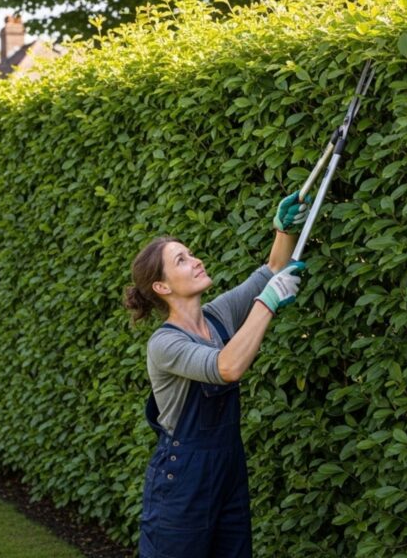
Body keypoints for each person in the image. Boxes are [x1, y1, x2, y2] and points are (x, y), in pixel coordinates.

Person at [123, 192, 310, 558]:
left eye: (191, 253)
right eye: (182, 260)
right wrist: (267, 303)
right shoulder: (164, 344)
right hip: (182, 485)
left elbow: (271, 270)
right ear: (162, 287)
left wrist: (283, 230)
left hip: (228, 471)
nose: (196, 261)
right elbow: (226, 367)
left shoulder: (217, 316)